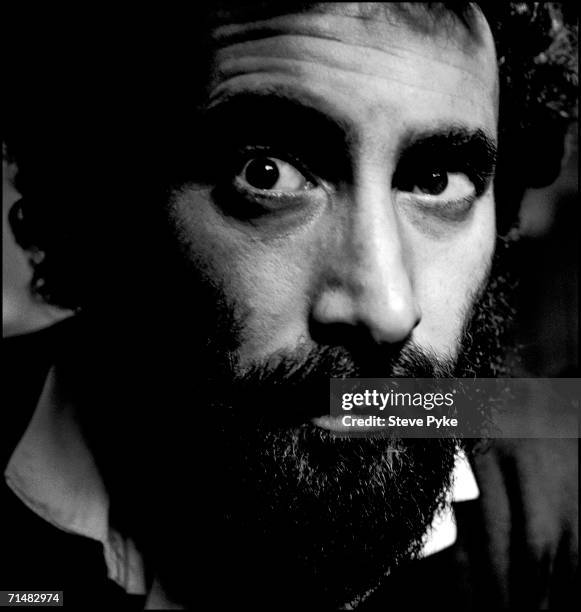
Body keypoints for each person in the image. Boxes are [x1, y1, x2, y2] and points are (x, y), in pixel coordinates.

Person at [2, 3, 578, 609]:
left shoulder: (556, 478)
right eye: (268, 174)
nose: (386, 310)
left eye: (436, 181)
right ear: (103, 201)